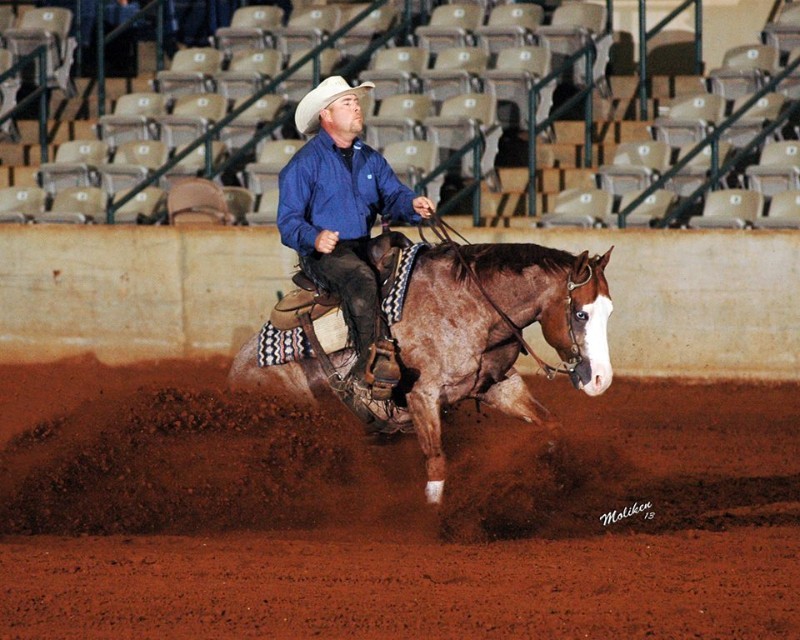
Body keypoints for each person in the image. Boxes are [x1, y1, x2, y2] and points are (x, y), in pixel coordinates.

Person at [277, 76, 435, 400]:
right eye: (347, 103)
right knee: (361, 278)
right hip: (324, 253)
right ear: (327, 115)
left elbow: (391, 196)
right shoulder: (304, 163)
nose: (356, 107)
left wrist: (412, 204)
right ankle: (372, 366)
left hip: (363, 242)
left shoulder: (369, 158)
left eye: (356, 102)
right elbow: (288, 221)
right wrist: (314, 237)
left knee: (417, 259)